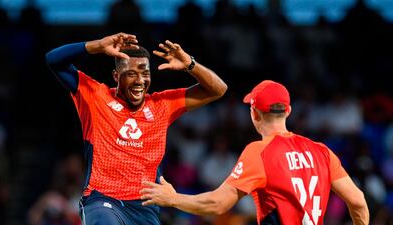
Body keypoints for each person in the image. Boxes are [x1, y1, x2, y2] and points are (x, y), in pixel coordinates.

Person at [45, 32, 227, 225]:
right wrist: (97, 45)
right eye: (132, 73)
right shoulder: (96, 96)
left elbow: (218, 89)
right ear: (116, 76)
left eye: (145, 73)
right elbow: (54, 60)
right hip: (103, 200)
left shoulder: (162, 104)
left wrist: (190, 64)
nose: (140, 81)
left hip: (145, 208)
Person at [140, 80, 369, 225]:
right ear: (288, 111)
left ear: (254, 113)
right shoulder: (322, 151)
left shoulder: (259, 152)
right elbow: (358, 202)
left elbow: (217, 205)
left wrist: (172, 199)